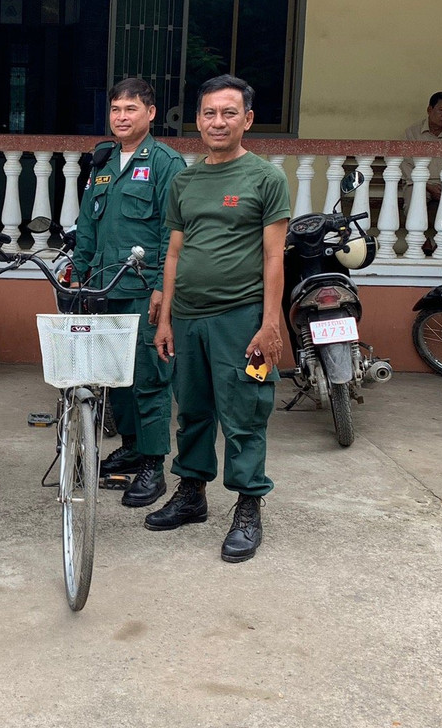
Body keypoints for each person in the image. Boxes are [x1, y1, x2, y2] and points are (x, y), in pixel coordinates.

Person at [152, 74, 290, 563]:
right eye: (209, 113)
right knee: (191, 411)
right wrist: (165, 318)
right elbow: (173, 252)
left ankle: (248, 508)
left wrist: (270, 323)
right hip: (187, 317)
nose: (218, 121)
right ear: (198, 120)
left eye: (229, 113)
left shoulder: (265, 178)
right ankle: (191, 494)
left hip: (240, 317)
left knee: (244, 414)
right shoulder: (185, 181)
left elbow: (275, 258)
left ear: (247, 120)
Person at [74, 78, 184, 508]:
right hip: (104, 288)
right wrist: (79, 279)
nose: (121, 116)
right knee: (115, 377)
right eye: (116, 109)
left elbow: (172, 233)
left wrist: (162, 289)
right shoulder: (103, 161)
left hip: (143, 292)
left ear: (150, 114)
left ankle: (154, 464)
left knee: (150, 378)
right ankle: (134, 445)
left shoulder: (165, 163)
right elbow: (88, 226)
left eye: (131, 109)